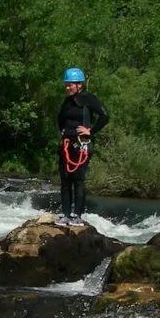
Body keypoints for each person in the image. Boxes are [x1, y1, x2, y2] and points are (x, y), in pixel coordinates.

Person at [56, 67, 109, 227]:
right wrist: (63, 132)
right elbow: (60, 118)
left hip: (82, 145)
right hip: (67, 144)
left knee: (78, 181)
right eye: (66, 85)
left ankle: (77, 216)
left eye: (70, 85)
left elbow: (105, 115)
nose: (67, 88)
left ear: (79, 84)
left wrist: (91, 131)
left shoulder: (88, 99)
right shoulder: (67, 101)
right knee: (65, 180)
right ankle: (65, 215)